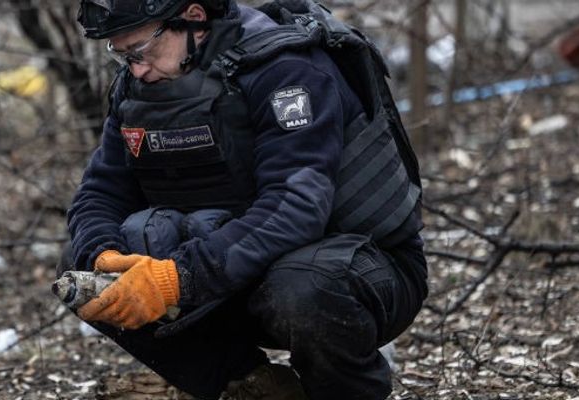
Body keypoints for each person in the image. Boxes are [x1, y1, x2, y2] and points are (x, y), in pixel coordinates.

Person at [61, 0, 428, 398]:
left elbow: (296, 208)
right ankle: (248, 384)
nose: (135, 69)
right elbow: (99, 193)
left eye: (141, 52)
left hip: (362, 272)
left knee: (305, 285)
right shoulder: (137, 88)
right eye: (122, 56)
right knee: (85, 273)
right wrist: (102, 254)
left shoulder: (284, 70)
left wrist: (176, 279)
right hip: (233, 280)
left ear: (194, 19)